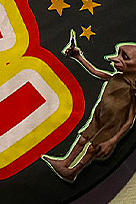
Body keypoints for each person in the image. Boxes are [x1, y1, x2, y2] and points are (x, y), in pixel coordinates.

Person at [43, 34, 136, 181]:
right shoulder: (115, 77)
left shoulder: (132, 91)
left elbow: (130, 120)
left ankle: (74, 171)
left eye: (125, 57)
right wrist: (79, 57)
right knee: (83, 139)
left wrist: (112, 140)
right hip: (99, 115)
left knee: (93, 149)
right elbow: (95, 71)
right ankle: (65, 162)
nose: (115, 59)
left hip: (112, 124)